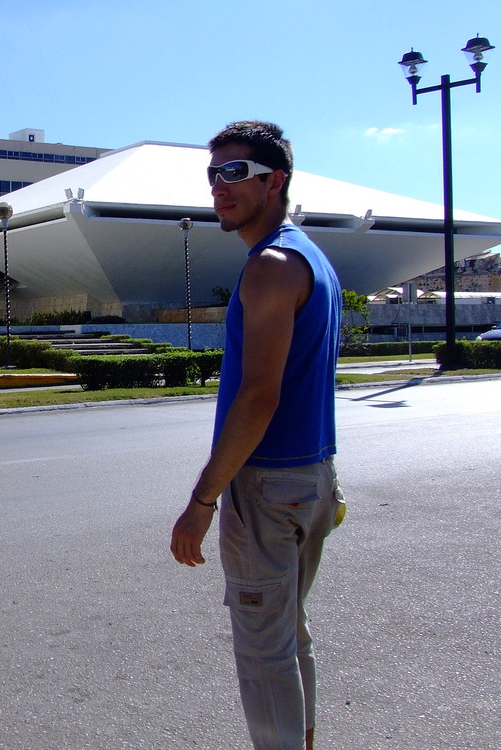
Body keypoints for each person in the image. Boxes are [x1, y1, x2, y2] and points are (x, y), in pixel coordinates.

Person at [170, 121, 344, 750]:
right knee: (287, 636)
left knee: (264, 653)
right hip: (312, 476)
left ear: (276, 181)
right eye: (213, 173)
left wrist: (202, 500)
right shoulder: (311, 258)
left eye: (235, 172)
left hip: (269, 485)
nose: (219, 186)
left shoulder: (270, 266)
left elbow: (259, 396)